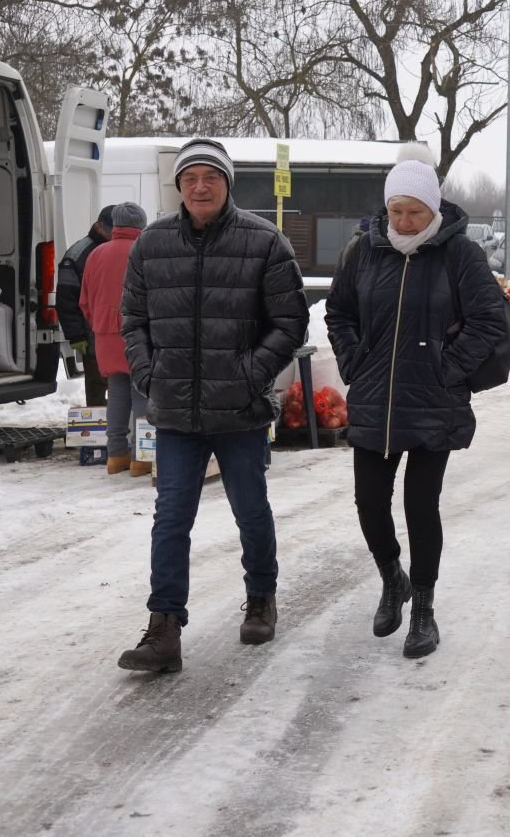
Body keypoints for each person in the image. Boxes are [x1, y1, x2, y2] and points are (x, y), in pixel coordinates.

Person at [116, 138, 310, 674]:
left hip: (239, 411)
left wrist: (250, 374)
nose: (200, 187)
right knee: (171, 518)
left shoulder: (265, 242)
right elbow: (132, 319)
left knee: (251, 511)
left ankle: (261, 597)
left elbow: (290, 322)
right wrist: (150, 374)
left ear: (227, 184)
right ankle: (165, 628)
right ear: (178, 186)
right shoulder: (151, 244)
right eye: (190, 178)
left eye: (211, 177)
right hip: (176, 412)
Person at [325, 149, 510, 659]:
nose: (404, 221)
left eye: (414, 212)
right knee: (369, 505)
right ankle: (393, 578)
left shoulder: (460, 255)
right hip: (373, 399)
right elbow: (338, 312)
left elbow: (491, 322)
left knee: (419, 506)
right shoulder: (365, 250)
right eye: (396, 210)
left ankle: (424, 608)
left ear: (434, 209)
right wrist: (353, 363)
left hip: (433, 404)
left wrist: (445, 371)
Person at [79, 202, 150, 477]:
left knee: (118, 391)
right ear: (140, 226)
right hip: (139, 331)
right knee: (142, 391)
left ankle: (116, 455)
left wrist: (99, 321)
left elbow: (84, 300)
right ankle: (142, 457)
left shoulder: (96, 254)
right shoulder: (144, 251)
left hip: (104, 334)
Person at [57, 205, 116, 406]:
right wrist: (75, 334)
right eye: (111, 230)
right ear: (99, 226)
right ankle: (99, 432)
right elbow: (66, 298)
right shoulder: (77, 255)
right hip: (92, 336)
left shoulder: (120, 248)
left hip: (118, 335)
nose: (113, 235)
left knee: (122, 388)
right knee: (97, 387)